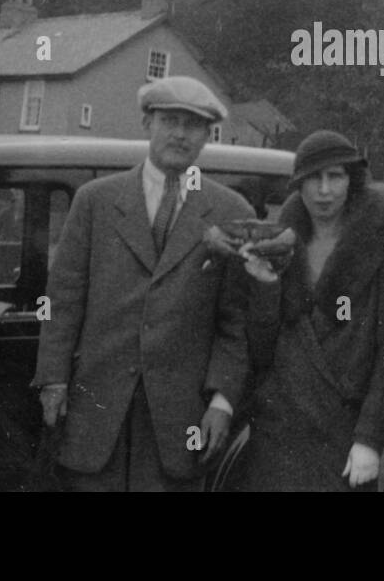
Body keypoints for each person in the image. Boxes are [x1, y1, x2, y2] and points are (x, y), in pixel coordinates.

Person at [31, 76, 254, 491]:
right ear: (146, 123)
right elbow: (61, 302)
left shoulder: (230, 211)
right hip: (96, 412)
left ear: (208, 135)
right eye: (170, 120)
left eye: (193, 125)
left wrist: (222, 402)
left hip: (178, 422)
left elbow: (235, 323)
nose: (180, 134)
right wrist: (54, 380)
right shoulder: (95, 201)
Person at [230, 130, 384, 492]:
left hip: (347, 438)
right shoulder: (280, 242)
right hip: (279, 436)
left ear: (351, 180)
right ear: (298, 184)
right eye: (313, 178)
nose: (324, 190)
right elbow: (261, 350)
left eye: (335, 176)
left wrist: (370, 439)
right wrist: (265, 286)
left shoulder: (382, 248)